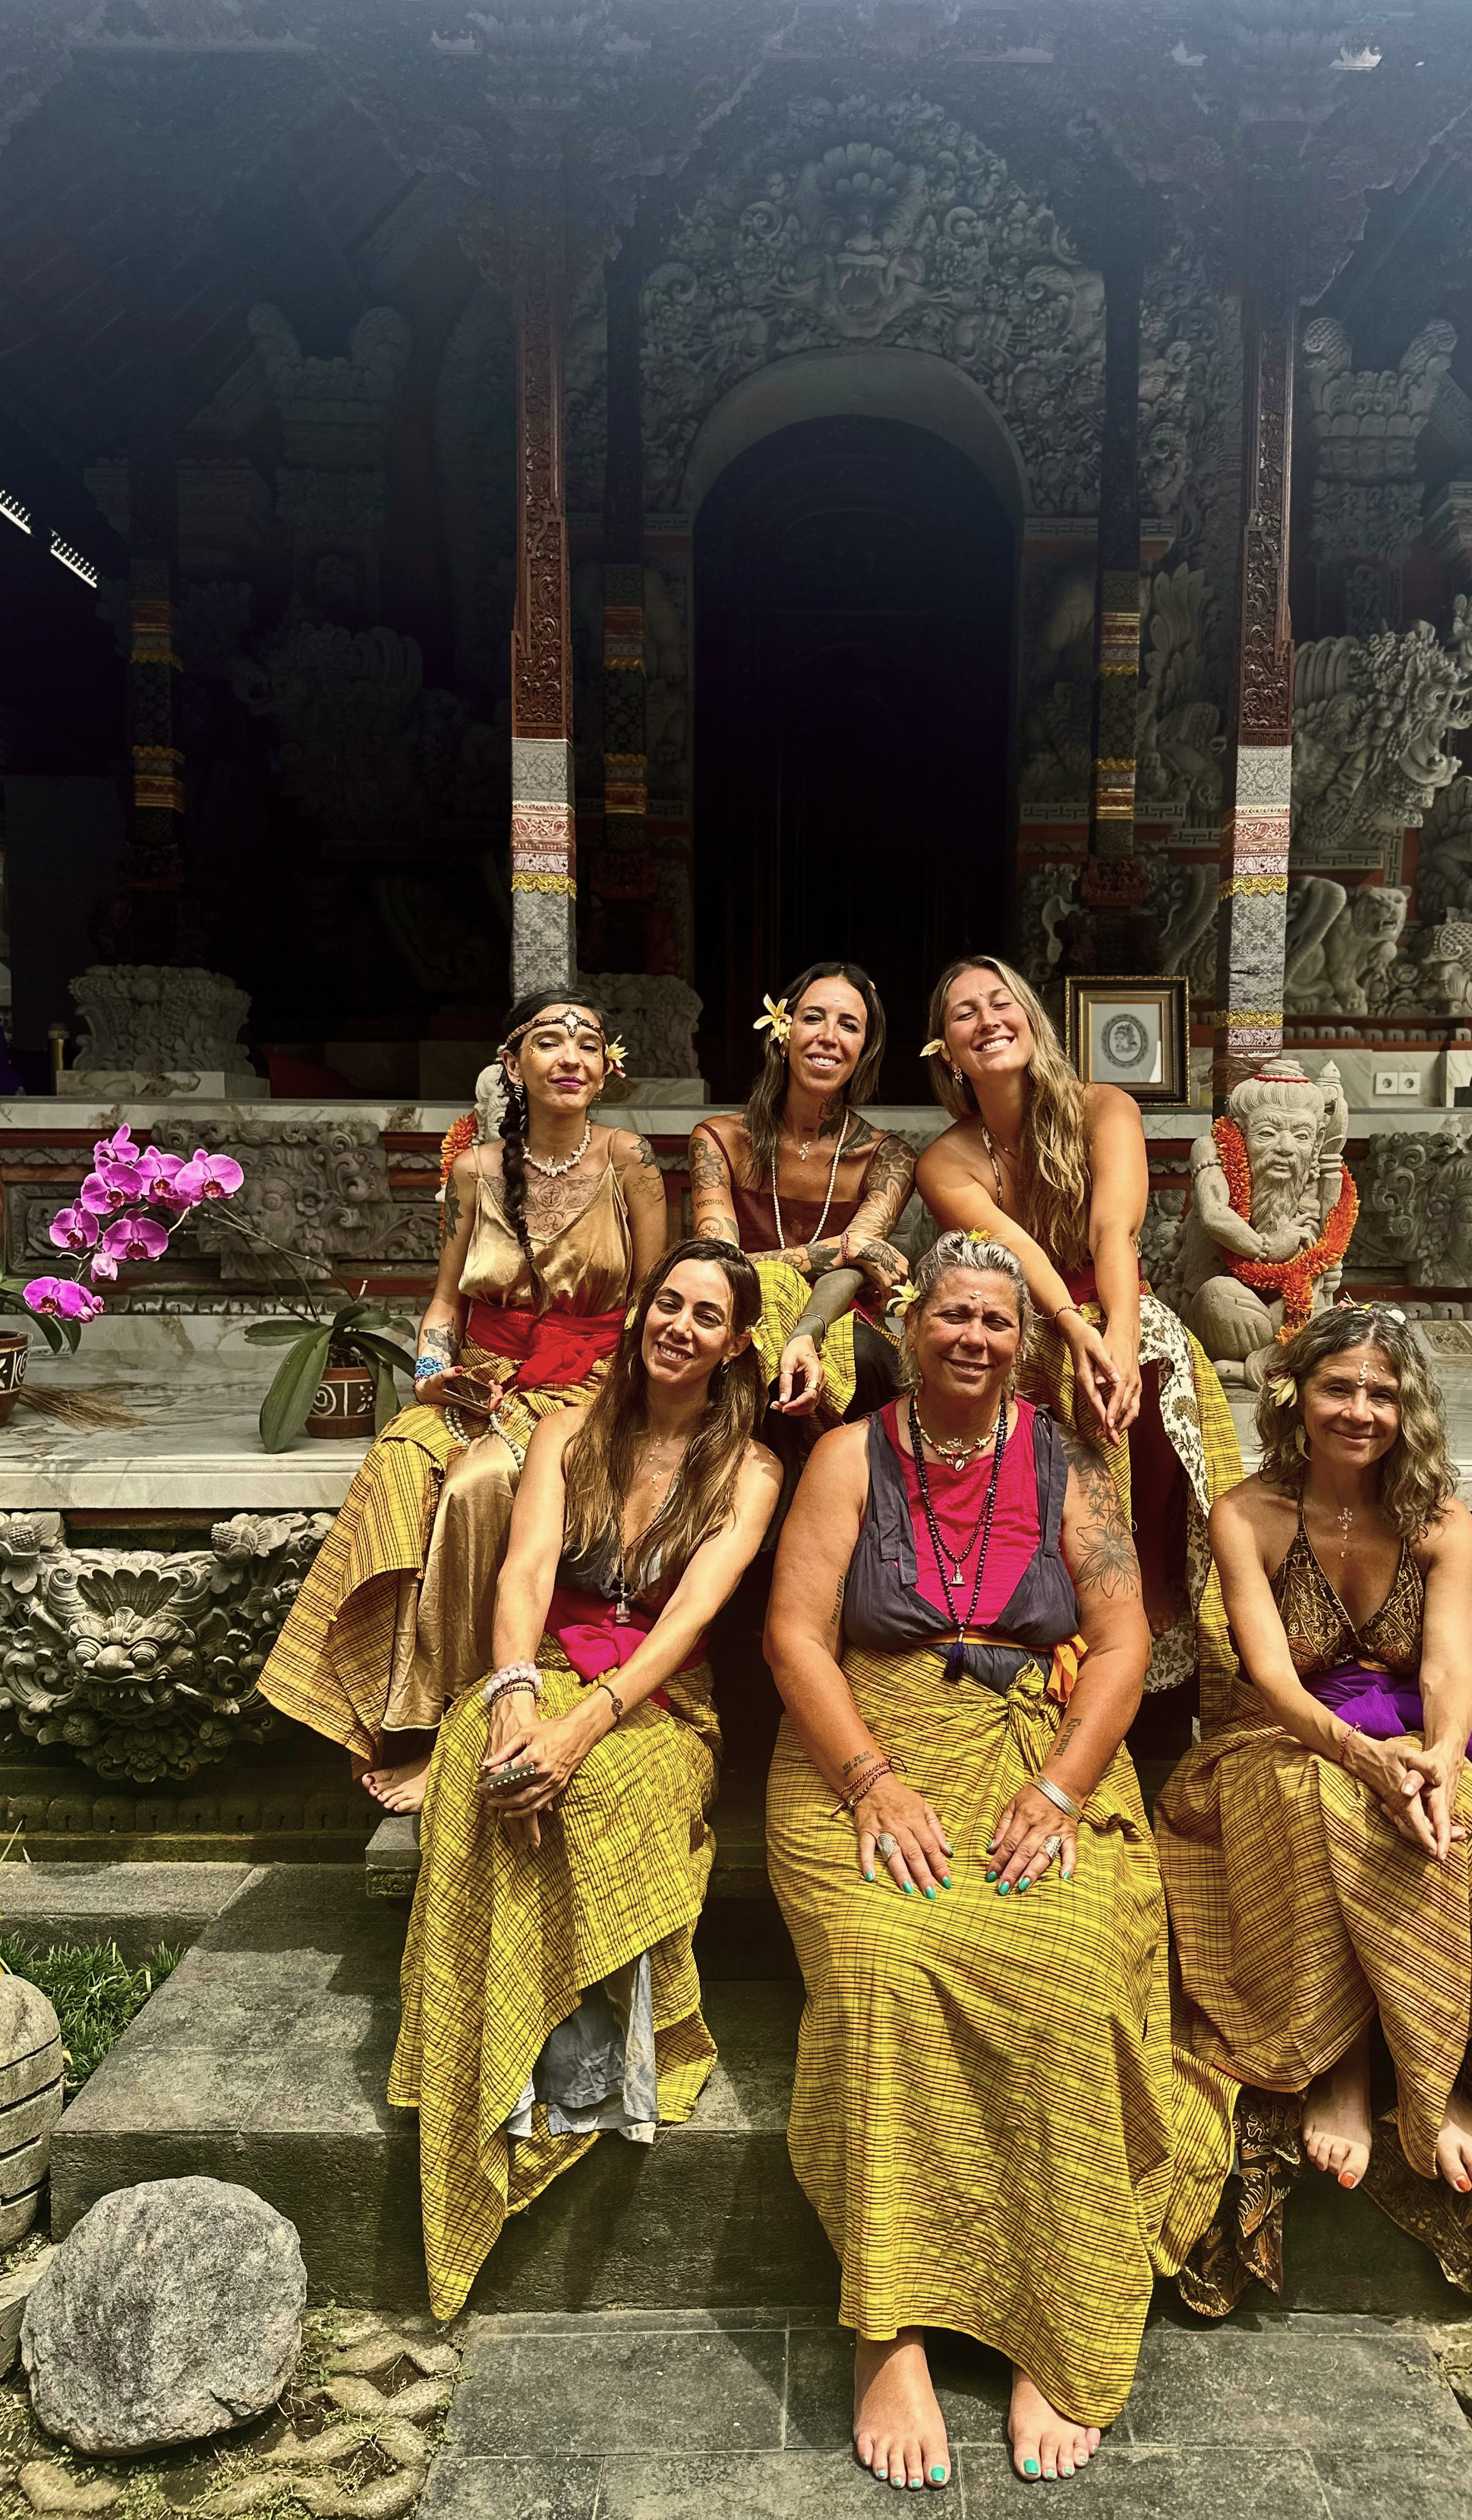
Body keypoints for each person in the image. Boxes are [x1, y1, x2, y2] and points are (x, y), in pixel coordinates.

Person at [765, 1233, 1234, 2488]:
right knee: (883, 1954)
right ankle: (890, 2325)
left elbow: (1123, 1642)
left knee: (1070, 1963)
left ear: (1022, 1345)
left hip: (1034, 1750)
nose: (973, 1335)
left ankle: (1055, 2315)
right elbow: (795, 1636)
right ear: (909, 1325)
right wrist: (871, 1780)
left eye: (996, 1320)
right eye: (953, 1314)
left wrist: (1063, 1784)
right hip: (865, 1748)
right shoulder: (848, 1456)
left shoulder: (1068, 1462)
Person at [1155, 1303, 1472, 2313]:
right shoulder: (1247, 1514)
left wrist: (1438, 1758)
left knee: (1464, 1814)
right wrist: (1367, 1759)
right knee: (1325, 1800)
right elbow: (1272, 1679)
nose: (1359, 1410)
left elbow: (1447, 1668)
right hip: (1279, 1738)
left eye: (1383, 1392)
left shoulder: (1441, 1522)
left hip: (1409, 1734)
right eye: (1338, 1387)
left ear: (1411, 1409)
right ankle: (1347, 2074)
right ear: (1294, 1396)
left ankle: (1429, 2075)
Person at [390, 1238, 782, 2319]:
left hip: (656, 1696)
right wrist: (516, 1694)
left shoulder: (750, 1470)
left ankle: (584, 2071)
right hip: (542, 1665)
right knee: (478, 1764)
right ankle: (492, 2068)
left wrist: (579, 1731)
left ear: (735, 1345)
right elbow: (523, 1569)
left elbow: (691, 1619)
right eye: (668, 1304)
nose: (679, 1327)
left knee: (604, 1791)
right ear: (640, 1312)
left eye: (707, 1316)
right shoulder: (568, 1430)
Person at [259, 989, 669, 1811]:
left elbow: (652, 1299)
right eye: (549, 1040)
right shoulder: (473, 1171)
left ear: (606, 1068)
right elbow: (446, 1303)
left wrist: (624, 1393)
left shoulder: (631, 1160)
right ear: (512, 1064)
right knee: (398, 1466)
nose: (571, 1056)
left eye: (588, 1042)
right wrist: (431, 1372)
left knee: (483, 1481)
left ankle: (459, 1724)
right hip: (481, 1375)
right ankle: (386, 1717)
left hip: (592, 1381)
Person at [913, 955, 1242, 1732]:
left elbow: (1112, 1231)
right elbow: (1019, 1257)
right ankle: (1062, 1584)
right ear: (945, 1050)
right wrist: (1074, 1330)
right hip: (1029, 1318)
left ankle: (1152, 1566)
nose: (988, 1020)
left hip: (1117, 1295)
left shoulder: (1105, 1107)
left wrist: (1118, 1336)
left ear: (1031, 1018)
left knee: (1155, 1344)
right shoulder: (944, 1161)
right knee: (1034, 1360)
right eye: (964, 1013)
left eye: (1001, 1003)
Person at [689, 961, 914, 1424]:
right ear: (783, 1033)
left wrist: (806, 1330)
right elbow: (719, 1268)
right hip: (739, 1312)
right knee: (746, 1328)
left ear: (864, 1049)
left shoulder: (888, 1158)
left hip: (841, 1321)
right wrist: (846, 1247)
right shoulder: (719, 1140)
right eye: (813, 1018)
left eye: (848, 1025)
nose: (829, 1036)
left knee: (863, 1355)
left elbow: (853, 1270)